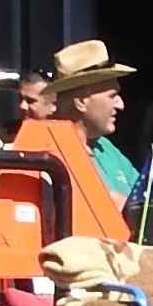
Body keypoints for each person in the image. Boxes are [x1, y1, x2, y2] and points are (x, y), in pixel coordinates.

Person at [33, 40, 143, 206]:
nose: (121, 105)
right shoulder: (46, 150)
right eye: (112, 95)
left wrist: (125, 206)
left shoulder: (107, 148)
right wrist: (130, 206)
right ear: (81, 101)